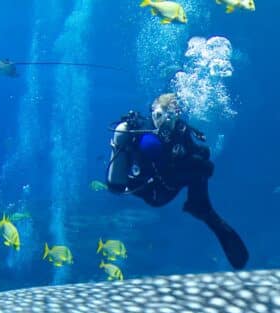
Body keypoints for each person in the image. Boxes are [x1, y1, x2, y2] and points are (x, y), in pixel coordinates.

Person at [106, 93, 249, 270]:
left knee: (202, 163)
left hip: (166, 187)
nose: (163, 122)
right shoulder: (141, 132)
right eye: (158, 115)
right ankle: (201, 208)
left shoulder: (181, 132)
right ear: (152, 112)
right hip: (147, 190)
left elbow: (195, 152)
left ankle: (200, 207)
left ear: (177, 115)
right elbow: (153, 169)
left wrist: (200, 156)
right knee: (198, 166)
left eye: (170, 116)